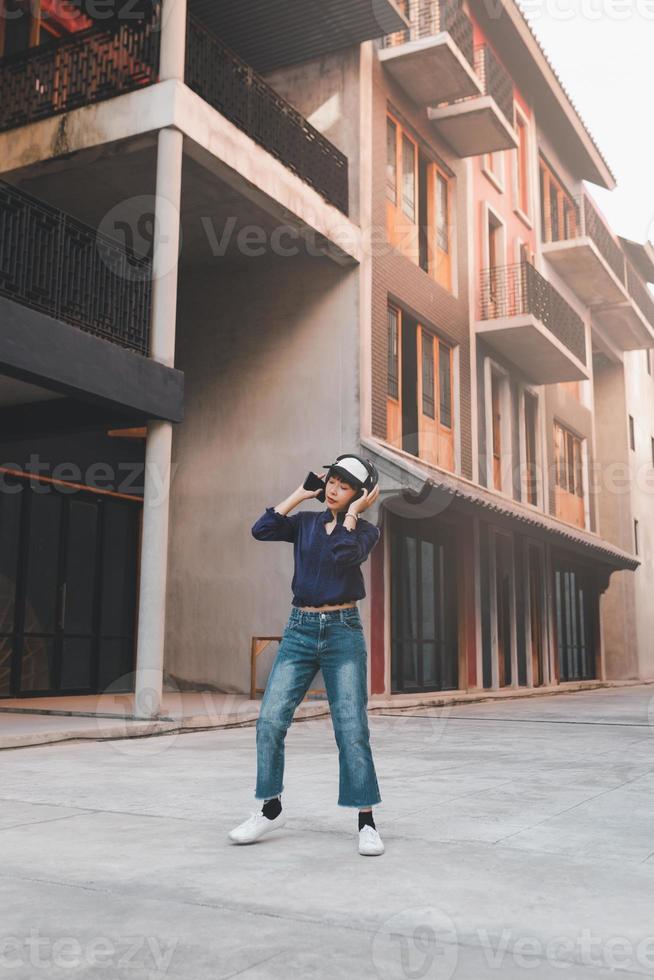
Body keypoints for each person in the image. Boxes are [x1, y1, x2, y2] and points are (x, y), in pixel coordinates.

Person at [228, 454, 385, 856]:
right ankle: (270, 807)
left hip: (343, 633)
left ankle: (365, 820)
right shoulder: (305, 525)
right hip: (299, 630)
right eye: (331, 481)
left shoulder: (367, 531)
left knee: (351, 728)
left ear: (360, 496)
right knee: (269, 721)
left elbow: (343, 555)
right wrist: (301, 493)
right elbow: (261, 529)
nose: (333, 489)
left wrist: (351, 516)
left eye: (344, 486)